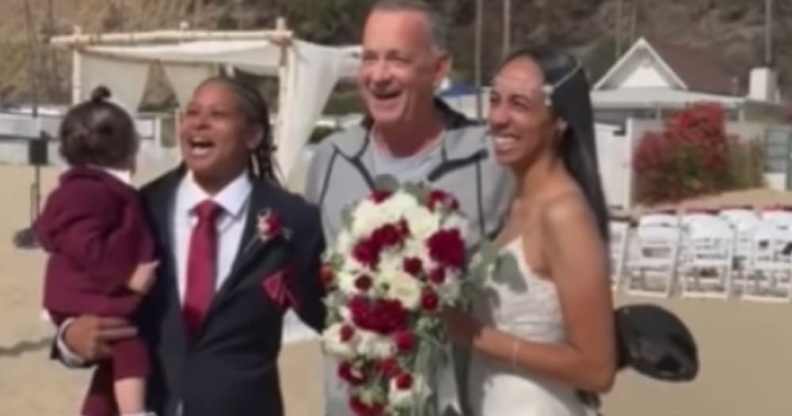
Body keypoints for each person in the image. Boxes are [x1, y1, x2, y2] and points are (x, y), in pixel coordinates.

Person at [56, 76, 327, 416]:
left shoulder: (294, 221)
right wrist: (69, 339)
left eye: (217, 114)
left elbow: (331, 316)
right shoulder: (136, 209)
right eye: (192, 112)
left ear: (253, 135)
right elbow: (80, 289)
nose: (199, 123)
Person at [304, 1, 513, 414]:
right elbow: (315, 284)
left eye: (397, 59)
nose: (378, 75)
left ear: (438, 69)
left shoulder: (491, 162)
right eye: (369, 58)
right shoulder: (330, 158)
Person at [441, 48, 617, 416]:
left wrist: (474, 335)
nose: (498, 118)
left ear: (560, 121)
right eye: (495, 100)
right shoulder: (513, 199)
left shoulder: (564, 214)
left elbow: (597, 369)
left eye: (519, 104)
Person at [35, 86, 159, 416]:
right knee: (129, 349)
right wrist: (126, 276)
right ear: (130, 149)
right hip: (90, 294)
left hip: (87, 293)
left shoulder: (87, 189)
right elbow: (85, 245)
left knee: (118, 361)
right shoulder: (91, 192)